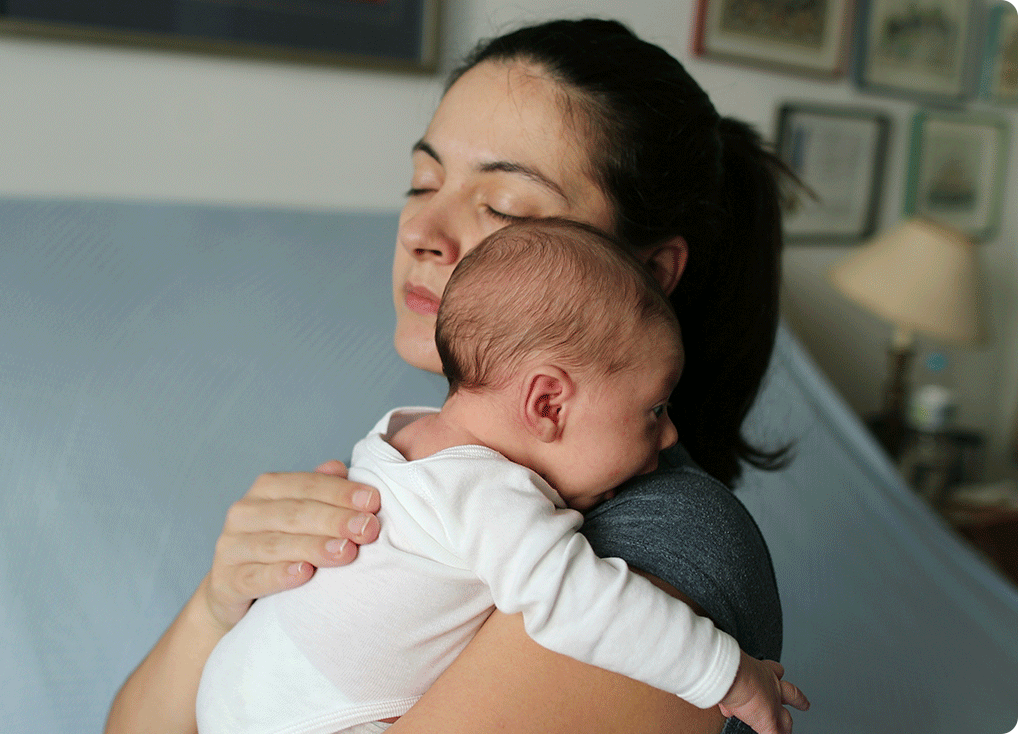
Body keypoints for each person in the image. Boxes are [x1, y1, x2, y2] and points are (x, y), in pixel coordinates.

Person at [107, 17, 798, 734]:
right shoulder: (411, 469)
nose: (420, 232)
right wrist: (218, 606)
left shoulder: (659, 552)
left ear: (649, 271)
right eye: (423, 182)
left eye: (503, 205)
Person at [195, 219, 806, 734]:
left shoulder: (399, 436)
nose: (670, 436)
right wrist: (728, 674)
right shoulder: (487, 496)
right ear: (548, 404)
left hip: (236, 682)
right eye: (655, 409)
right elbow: (585, 606)